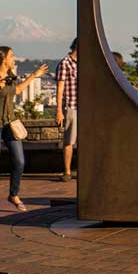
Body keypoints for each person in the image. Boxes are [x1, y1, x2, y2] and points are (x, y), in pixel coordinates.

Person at [0, 45, 47, 214]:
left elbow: (17, 90)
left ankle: (13, 195)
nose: (14, 58)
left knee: (19, 161)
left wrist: (33, 75)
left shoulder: (10, 75)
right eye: (11, 56)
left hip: (10, 123)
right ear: (3, 59)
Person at [55, 39, 78, 183]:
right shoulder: (65, 63)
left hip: (84, 106)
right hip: (71, 105)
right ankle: (67, 171)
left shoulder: (83, 63)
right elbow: (60, 88)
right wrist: (59, 110)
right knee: (69, 139)